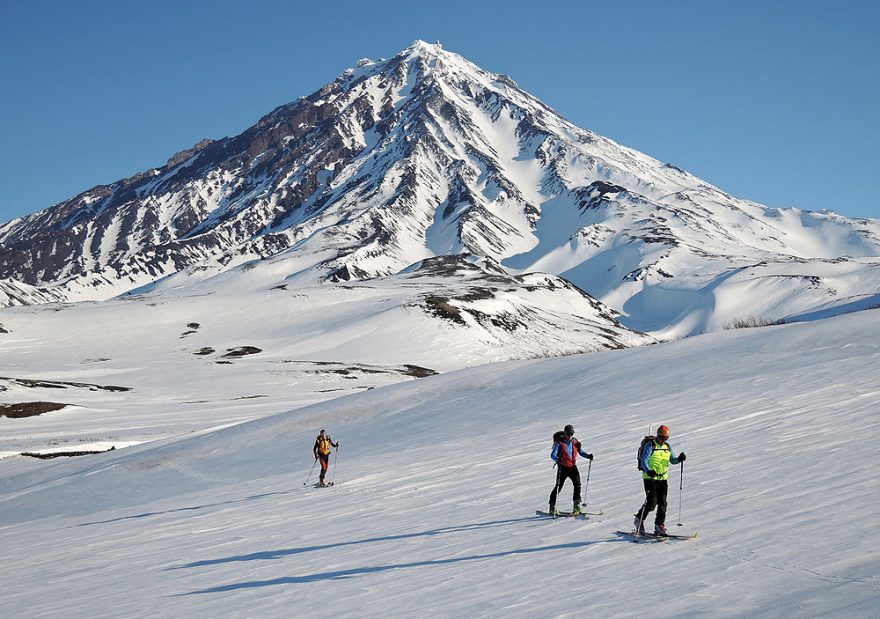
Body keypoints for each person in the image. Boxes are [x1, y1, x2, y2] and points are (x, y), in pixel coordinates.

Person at [633, 424, 686, 536]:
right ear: (658, 435)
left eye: (665, 438)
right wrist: (648, 471)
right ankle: (639, 519)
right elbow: (644, 461)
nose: (663, 440)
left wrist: (679, 459)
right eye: (662, 438)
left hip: (663, 478)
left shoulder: (667, 447)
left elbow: (673, 460)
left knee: (662, 502)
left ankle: (659, 525)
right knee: (652, 502)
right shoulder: (650, 446)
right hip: (650, 478)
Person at [549, 424, 593, 515]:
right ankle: (552, 507)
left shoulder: (575, 442)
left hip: (573, 467)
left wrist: (588, 456)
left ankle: (576, 506)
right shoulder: (560, 443)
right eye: (568, 434)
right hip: (563, 468)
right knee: (558, 487)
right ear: (565, 433)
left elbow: (580, 452)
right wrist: (559, 461)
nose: (570, 436)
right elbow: (552, 455)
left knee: (577, 485)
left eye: (571, 434)